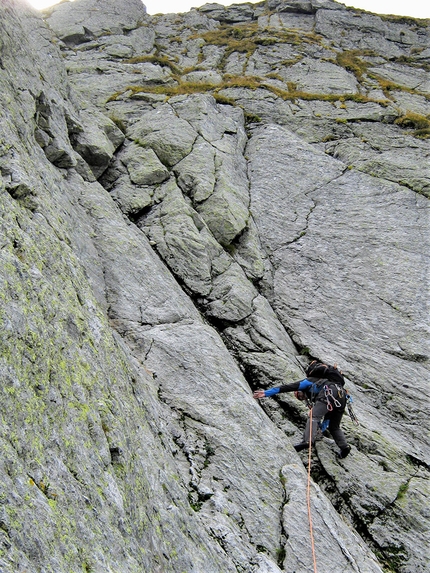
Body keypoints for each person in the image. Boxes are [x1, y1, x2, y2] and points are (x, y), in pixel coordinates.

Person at [253, 361, 351, 459]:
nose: (299, 397)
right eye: (299, 398)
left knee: (313, 416)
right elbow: (327, 420)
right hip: (342, 396)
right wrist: (320, 430)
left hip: (330, 392)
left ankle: (307, 441)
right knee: (334, 427)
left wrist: (266, 393)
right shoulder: (319, 389)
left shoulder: (309, 381)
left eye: (298, 395)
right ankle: (344, 447)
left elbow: (287, 387)